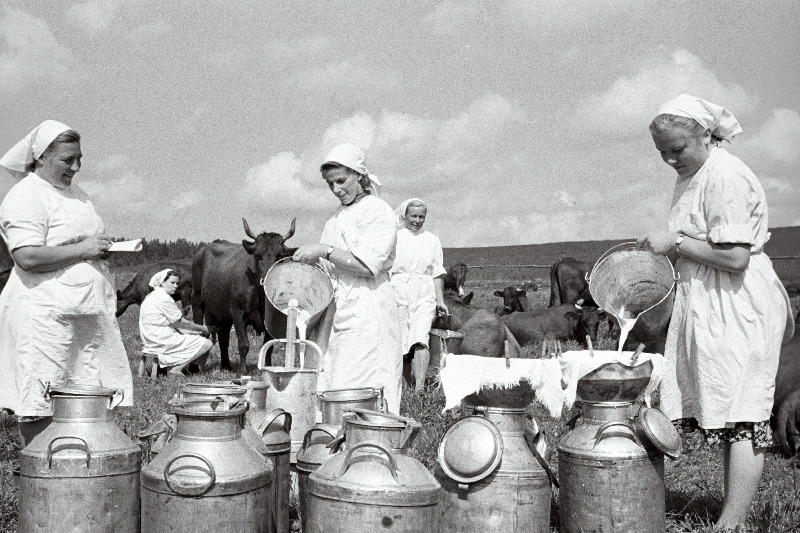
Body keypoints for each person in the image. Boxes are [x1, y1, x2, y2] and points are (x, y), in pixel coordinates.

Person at [638, 94, 794, 530]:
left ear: (705, 135)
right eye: (662, 152)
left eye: (677, 149)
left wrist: (676, 244)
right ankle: (731, 514)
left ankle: (733, 522)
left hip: (738, 302)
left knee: (743, 410)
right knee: (729, 406)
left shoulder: (724, 176)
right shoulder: (697, 171)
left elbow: (736, 257)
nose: (670, 159)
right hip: (713, 300)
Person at [0, 120, 134, 446]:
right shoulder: (26, 195)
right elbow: (27, 256)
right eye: (67, 159)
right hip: (44, 317)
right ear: (42, 157)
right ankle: (43, 475)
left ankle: (78, 470)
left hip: (82, 315)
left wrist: (99, 253)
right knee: (43, 400)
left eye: (80, 158)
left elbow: (76, 244)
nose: (76, 166)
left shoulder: (77, 195)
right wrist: (84, 249)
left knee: (86, 398)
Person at [292, 143, 403, 413]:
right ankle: (333, 442)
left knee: (361, 378)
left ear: (360, 176)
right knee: (330, 376)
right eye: (331, 184)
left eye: (341, 181)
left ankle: (370, 442)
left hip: (367, 305)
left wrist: (325, 250)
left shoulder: (377, 211)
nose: (336, 189)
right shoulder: (336, 218)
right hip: (338, 306)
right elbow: (329, 267)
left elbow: (367, 266)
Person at [390, 198, 448, 392]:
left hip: (424, 292)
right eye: (413, 216)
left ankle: (420, 388)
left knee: (420, 338)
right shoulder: (394, 237)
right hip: (397, 290)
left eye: (421, 216)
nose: (416, 220)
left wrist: (440, 301)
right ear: (405, 215)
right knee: (401, 340)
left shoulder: (432, 240)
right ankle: (403, 386)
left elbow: (436, 273)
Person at [139, 268, 212, 375]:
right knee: (207, 343)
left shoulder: (151, 296)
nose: (175, 286)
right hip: (160, 340)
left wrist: (192, 332)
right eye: (172, 282)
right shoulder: (164, 298)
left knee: (193, 336)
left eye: (177, 283)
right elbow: (180, 322)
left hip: (149, 338)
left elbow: (169, 324)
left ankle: (170, 367)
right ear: (162, 282)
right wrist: (203, 328)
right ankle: (177, 368)